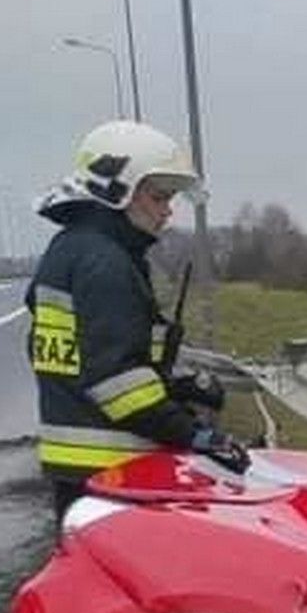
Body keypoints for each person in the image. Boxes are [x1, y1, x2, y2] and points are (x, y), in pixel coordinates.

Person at [27, 120, 247, 513]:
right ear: (116, 191)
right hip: (112, 470)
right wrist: (195, 435)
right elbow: (117, 383)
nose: (168, 212)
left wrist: (178, 388)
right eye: (159, 197)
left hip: (77, 468)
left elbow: (85, 355)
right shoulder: (105, 263)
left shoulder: (70, 249)